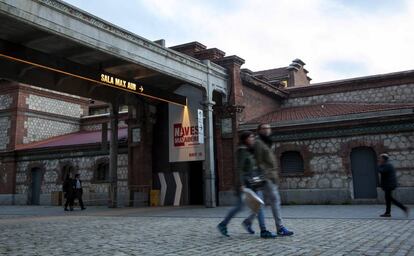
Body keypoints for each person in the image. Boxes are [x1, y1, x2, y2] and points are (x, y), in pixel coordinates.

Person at [217, 131, 275, 238]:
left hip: (253, 183)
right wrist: (241, 184)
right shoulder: (242, 151)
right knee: (240, 207)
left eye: (253, 137)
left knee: (258, 205)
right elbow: (239, 169)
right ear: (245, 139)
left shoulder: (249, 151)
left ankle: (262, 230)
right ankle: (223, 224)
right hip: (245, 184)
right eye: (250, 137)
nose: (253, 139)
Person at [243, 123, 293, 236]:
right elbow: (258, 161)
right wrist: (264, 175)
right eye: (264, 128)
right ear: (259, 130)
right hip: (266, 177)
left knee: (261, 203)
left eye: (268, 128)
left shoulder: (267, 142)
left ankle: (248, 221)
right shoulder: (259, 143)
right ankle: (280, 228)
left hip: (269, 176)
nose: (267, 130)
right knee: (274, 201)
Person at [377, 153, 409, 217]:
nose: (379, 159)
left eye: (380, 158)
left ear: (383, 159)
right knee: (388, 199)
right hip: (388, 185)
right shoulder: (386, 165)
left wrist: (378, 166)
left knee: (389, 198)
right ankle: (388, 213)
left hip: (389, 185)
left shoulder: (387, 165)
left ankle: (404, 208)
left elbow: (382, 171)